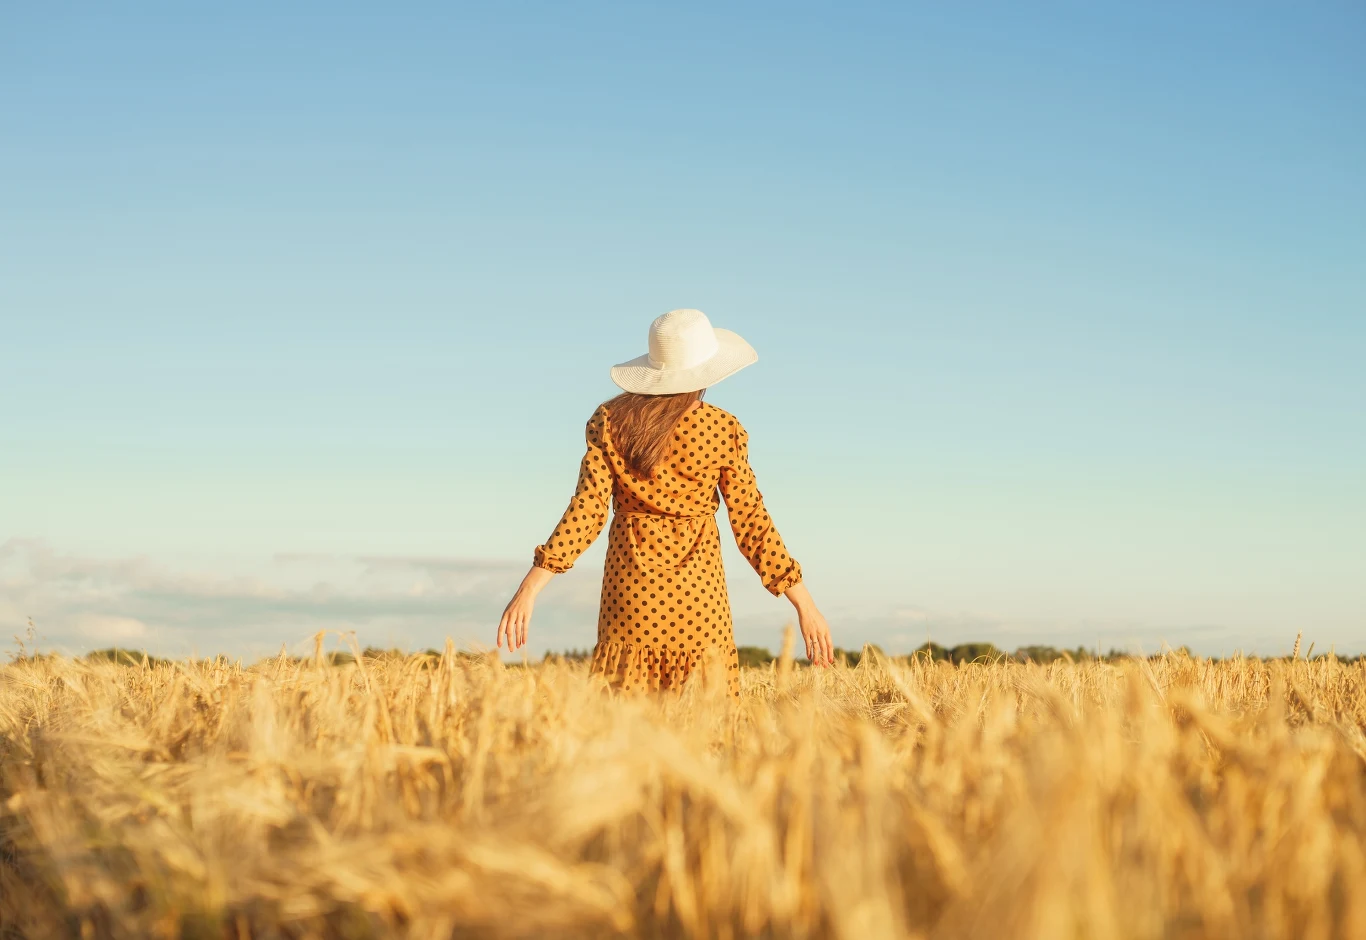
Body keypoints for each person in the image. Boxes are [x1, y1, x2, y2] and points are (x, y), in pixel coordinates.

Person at [496, 309, 833, 694]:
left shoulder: (609, 421)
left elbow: (586, 510)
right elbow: (751, 522)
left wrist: (531, 587)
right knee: (705, 726)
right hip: (699, 596)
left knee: (628, 721)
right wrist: (805, 604)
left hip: (631, 593)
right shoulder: (723, 429)